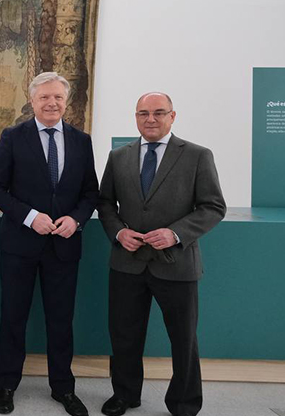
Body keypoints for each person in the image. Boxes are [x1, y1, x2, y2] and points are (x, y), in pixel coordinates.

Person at [97, 92, 225, 416]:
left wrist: (175, 233)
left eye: (158, 113)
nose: (150, 119)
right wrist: (118, 232)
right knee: (124, 336)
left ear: (172, 116)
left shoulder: (197, 155)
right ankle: (125, 395)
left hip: (177, 265)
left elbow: (213, 207)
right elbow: (105, 203)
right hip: (127, 263)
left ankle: (184, 403)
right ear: (135, 117)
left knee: (183, 340)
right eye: (143, 114)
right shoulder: (118, 156)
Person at [0, 72, 98, 416]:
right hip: (19, 245)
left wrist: (76, 219)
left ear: (66, 101)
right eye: (44, 97)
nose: (51, 103)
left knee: (61, 321)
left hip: (64, 247)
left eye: (58, 98)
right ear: (32, 101)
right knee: (13, 318)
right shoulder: (13, 137)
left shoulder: (81, 140)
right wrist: (30, 216)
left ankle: (63, 388)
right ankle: (6, 386)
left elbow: (90, 192)